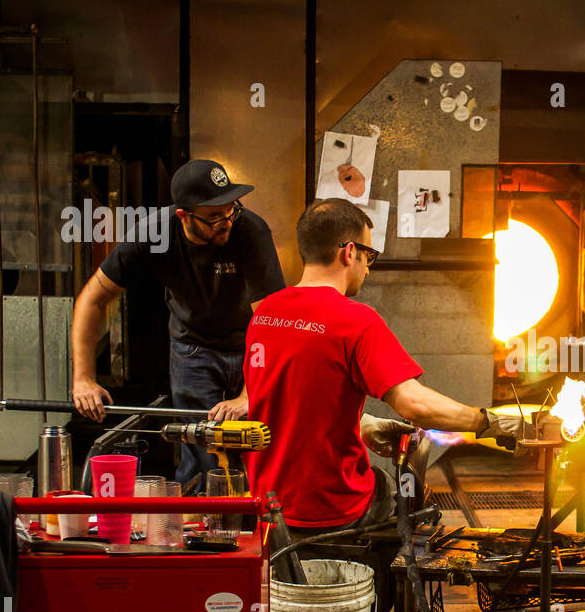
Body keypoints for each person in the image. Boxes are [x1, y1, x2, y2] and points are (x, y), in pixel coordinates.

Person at [241, 198, 522, 548]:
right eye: (369, 256)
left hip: (266, 504)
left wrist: (362, 424)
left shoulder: (266, 313)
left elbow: (292, 397)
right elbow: (414, 405)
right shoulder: (355, 321)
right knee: (407, 494)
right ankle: (394, 590)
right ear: (348, 253)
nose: (368, 268)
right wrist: (489, 422)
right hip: (332, 507)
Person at [70, 159, 285, 486]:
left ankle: (257, 529)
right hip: (193, 349)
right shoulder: (153, 233)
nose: (227, 221)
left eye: (231, 210)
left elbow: (271, 321)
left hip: (251, 347)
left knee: (257, 448)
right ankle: (201, 530)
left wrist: (247, 395)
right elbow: (92, 298)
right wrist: (83, 378)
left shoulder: (249, 230)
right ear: (183, 215)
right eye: (214, 217)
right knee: (202, 454)